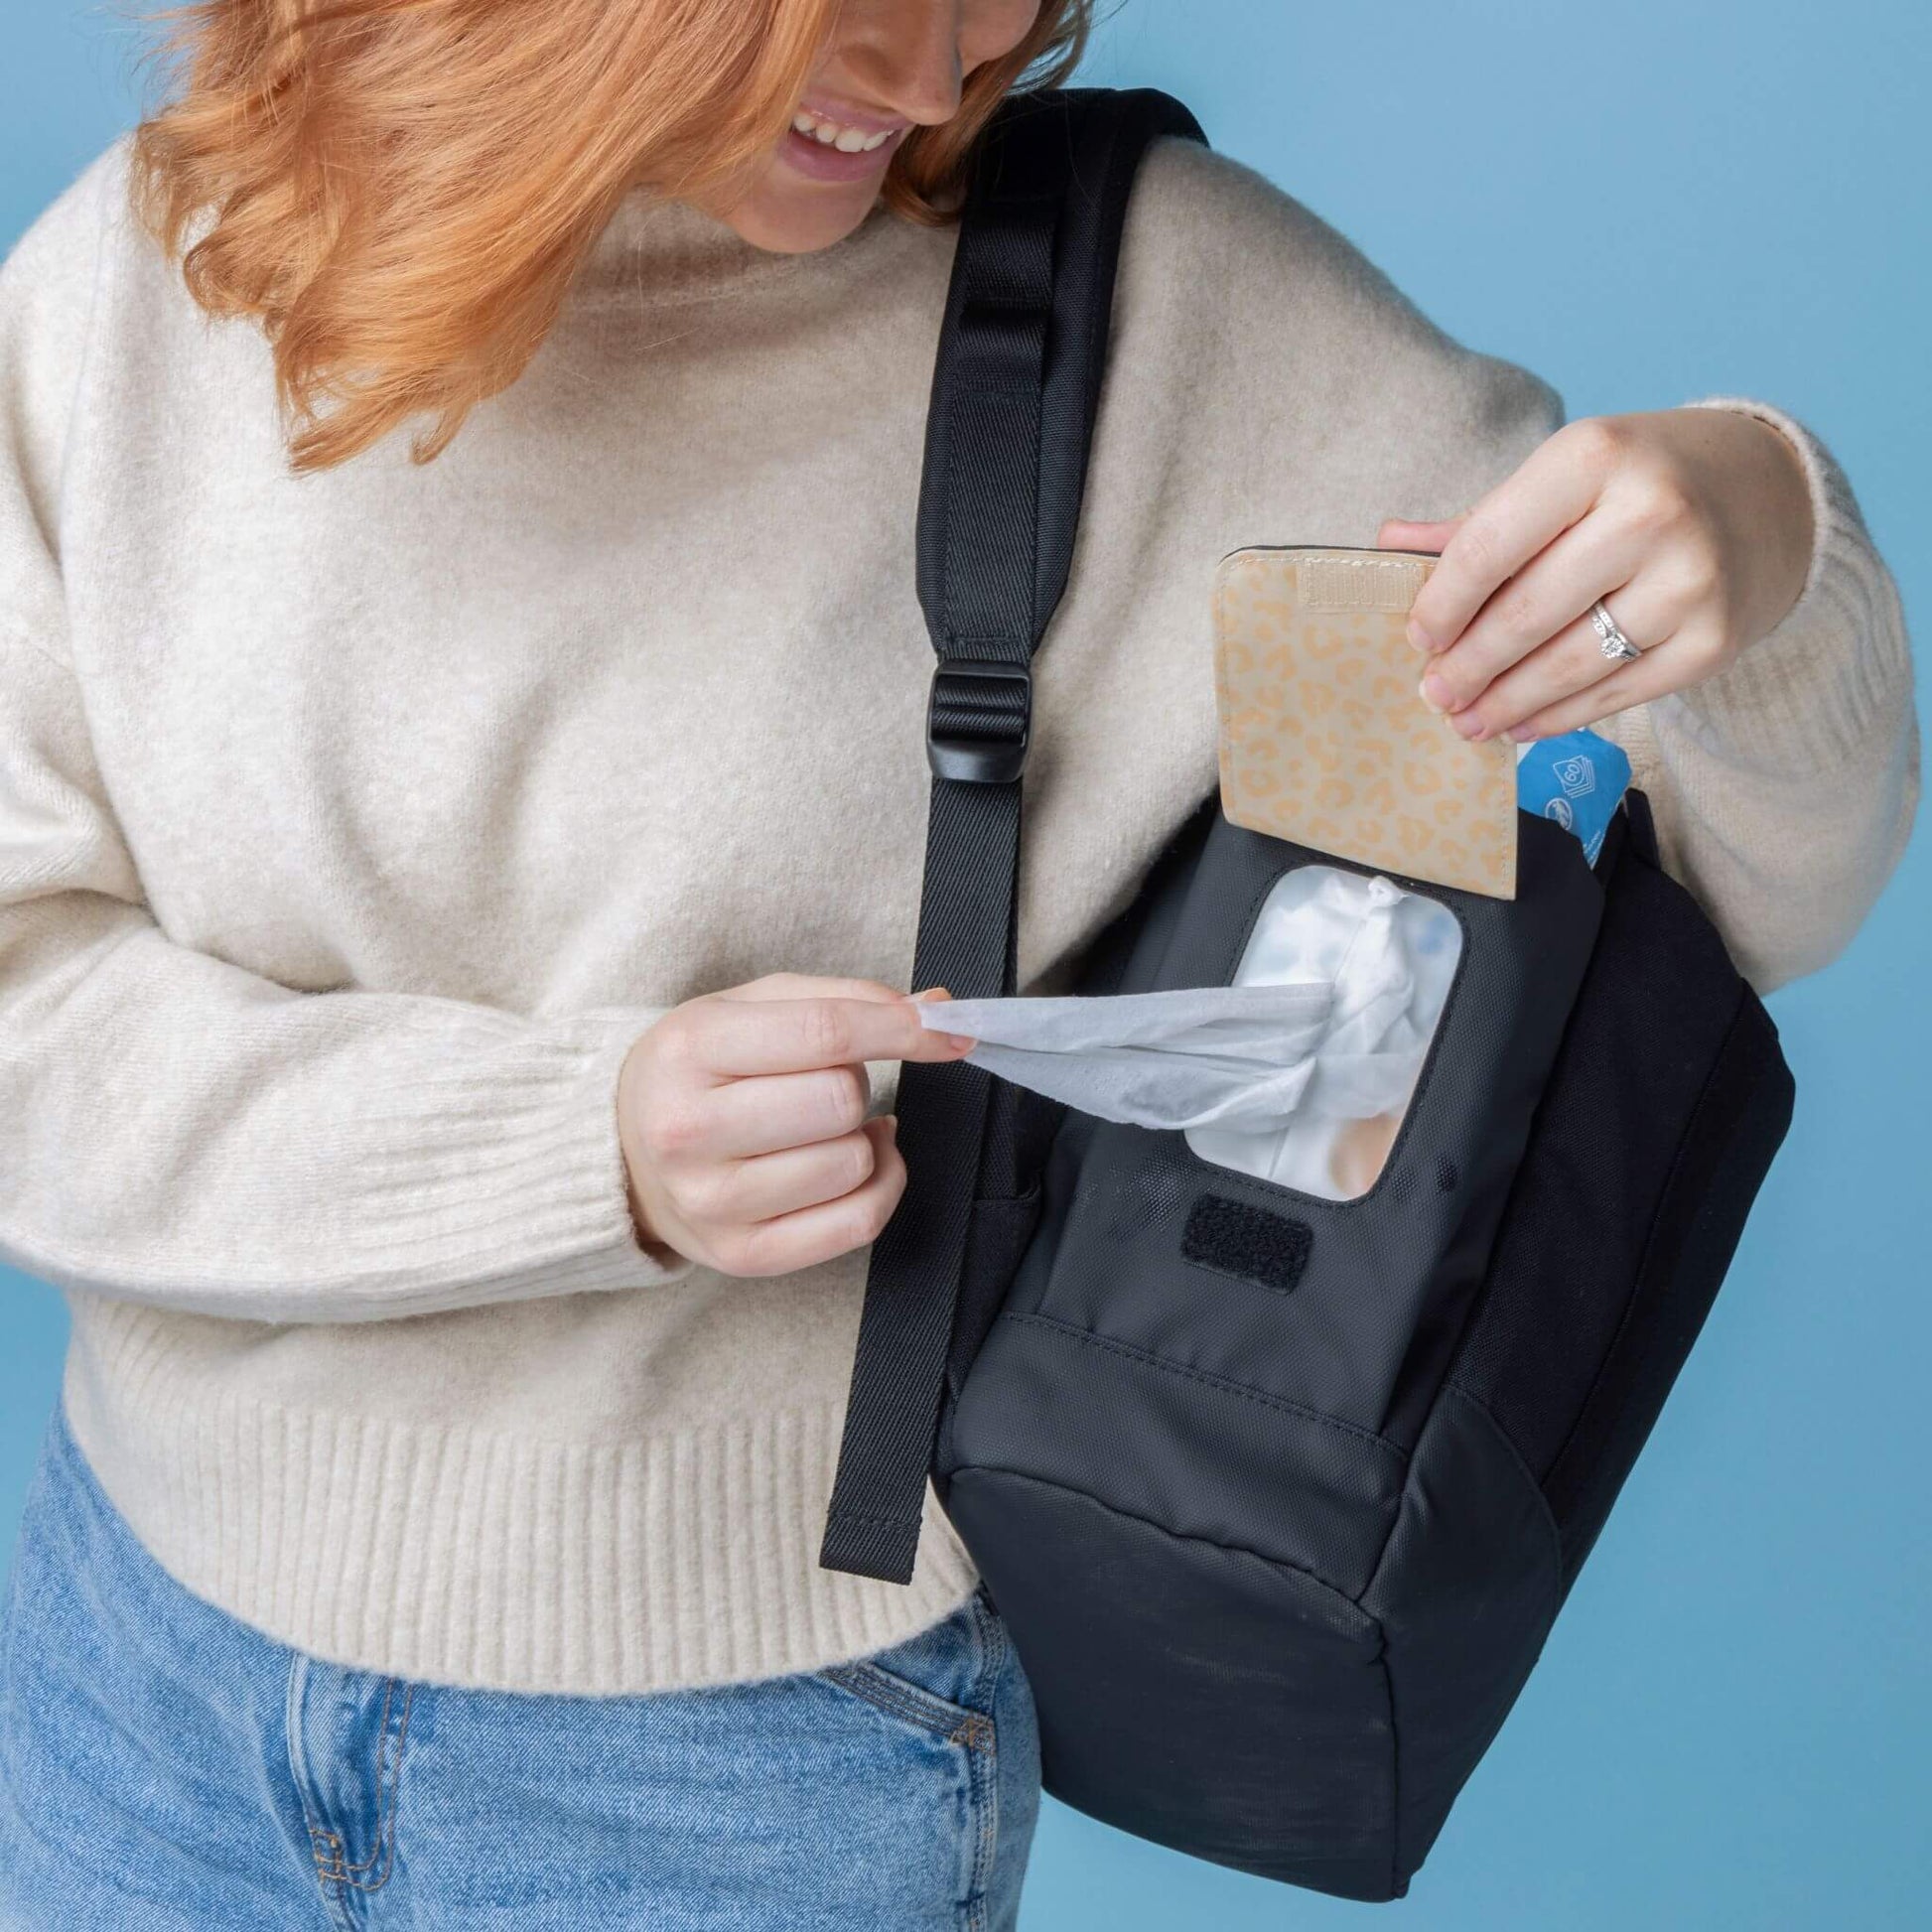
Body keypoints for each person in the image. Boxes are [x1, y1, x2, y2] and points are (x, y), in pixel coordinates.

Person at [0, 1, 1916, 1925]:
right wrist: (586, 1149)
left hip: (734, 1764)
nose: (935, 80)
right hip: (119, 1675)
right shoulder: (154, 274)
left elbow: (1729, 881)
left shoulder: (1140, 326)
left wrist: (1758, 530)